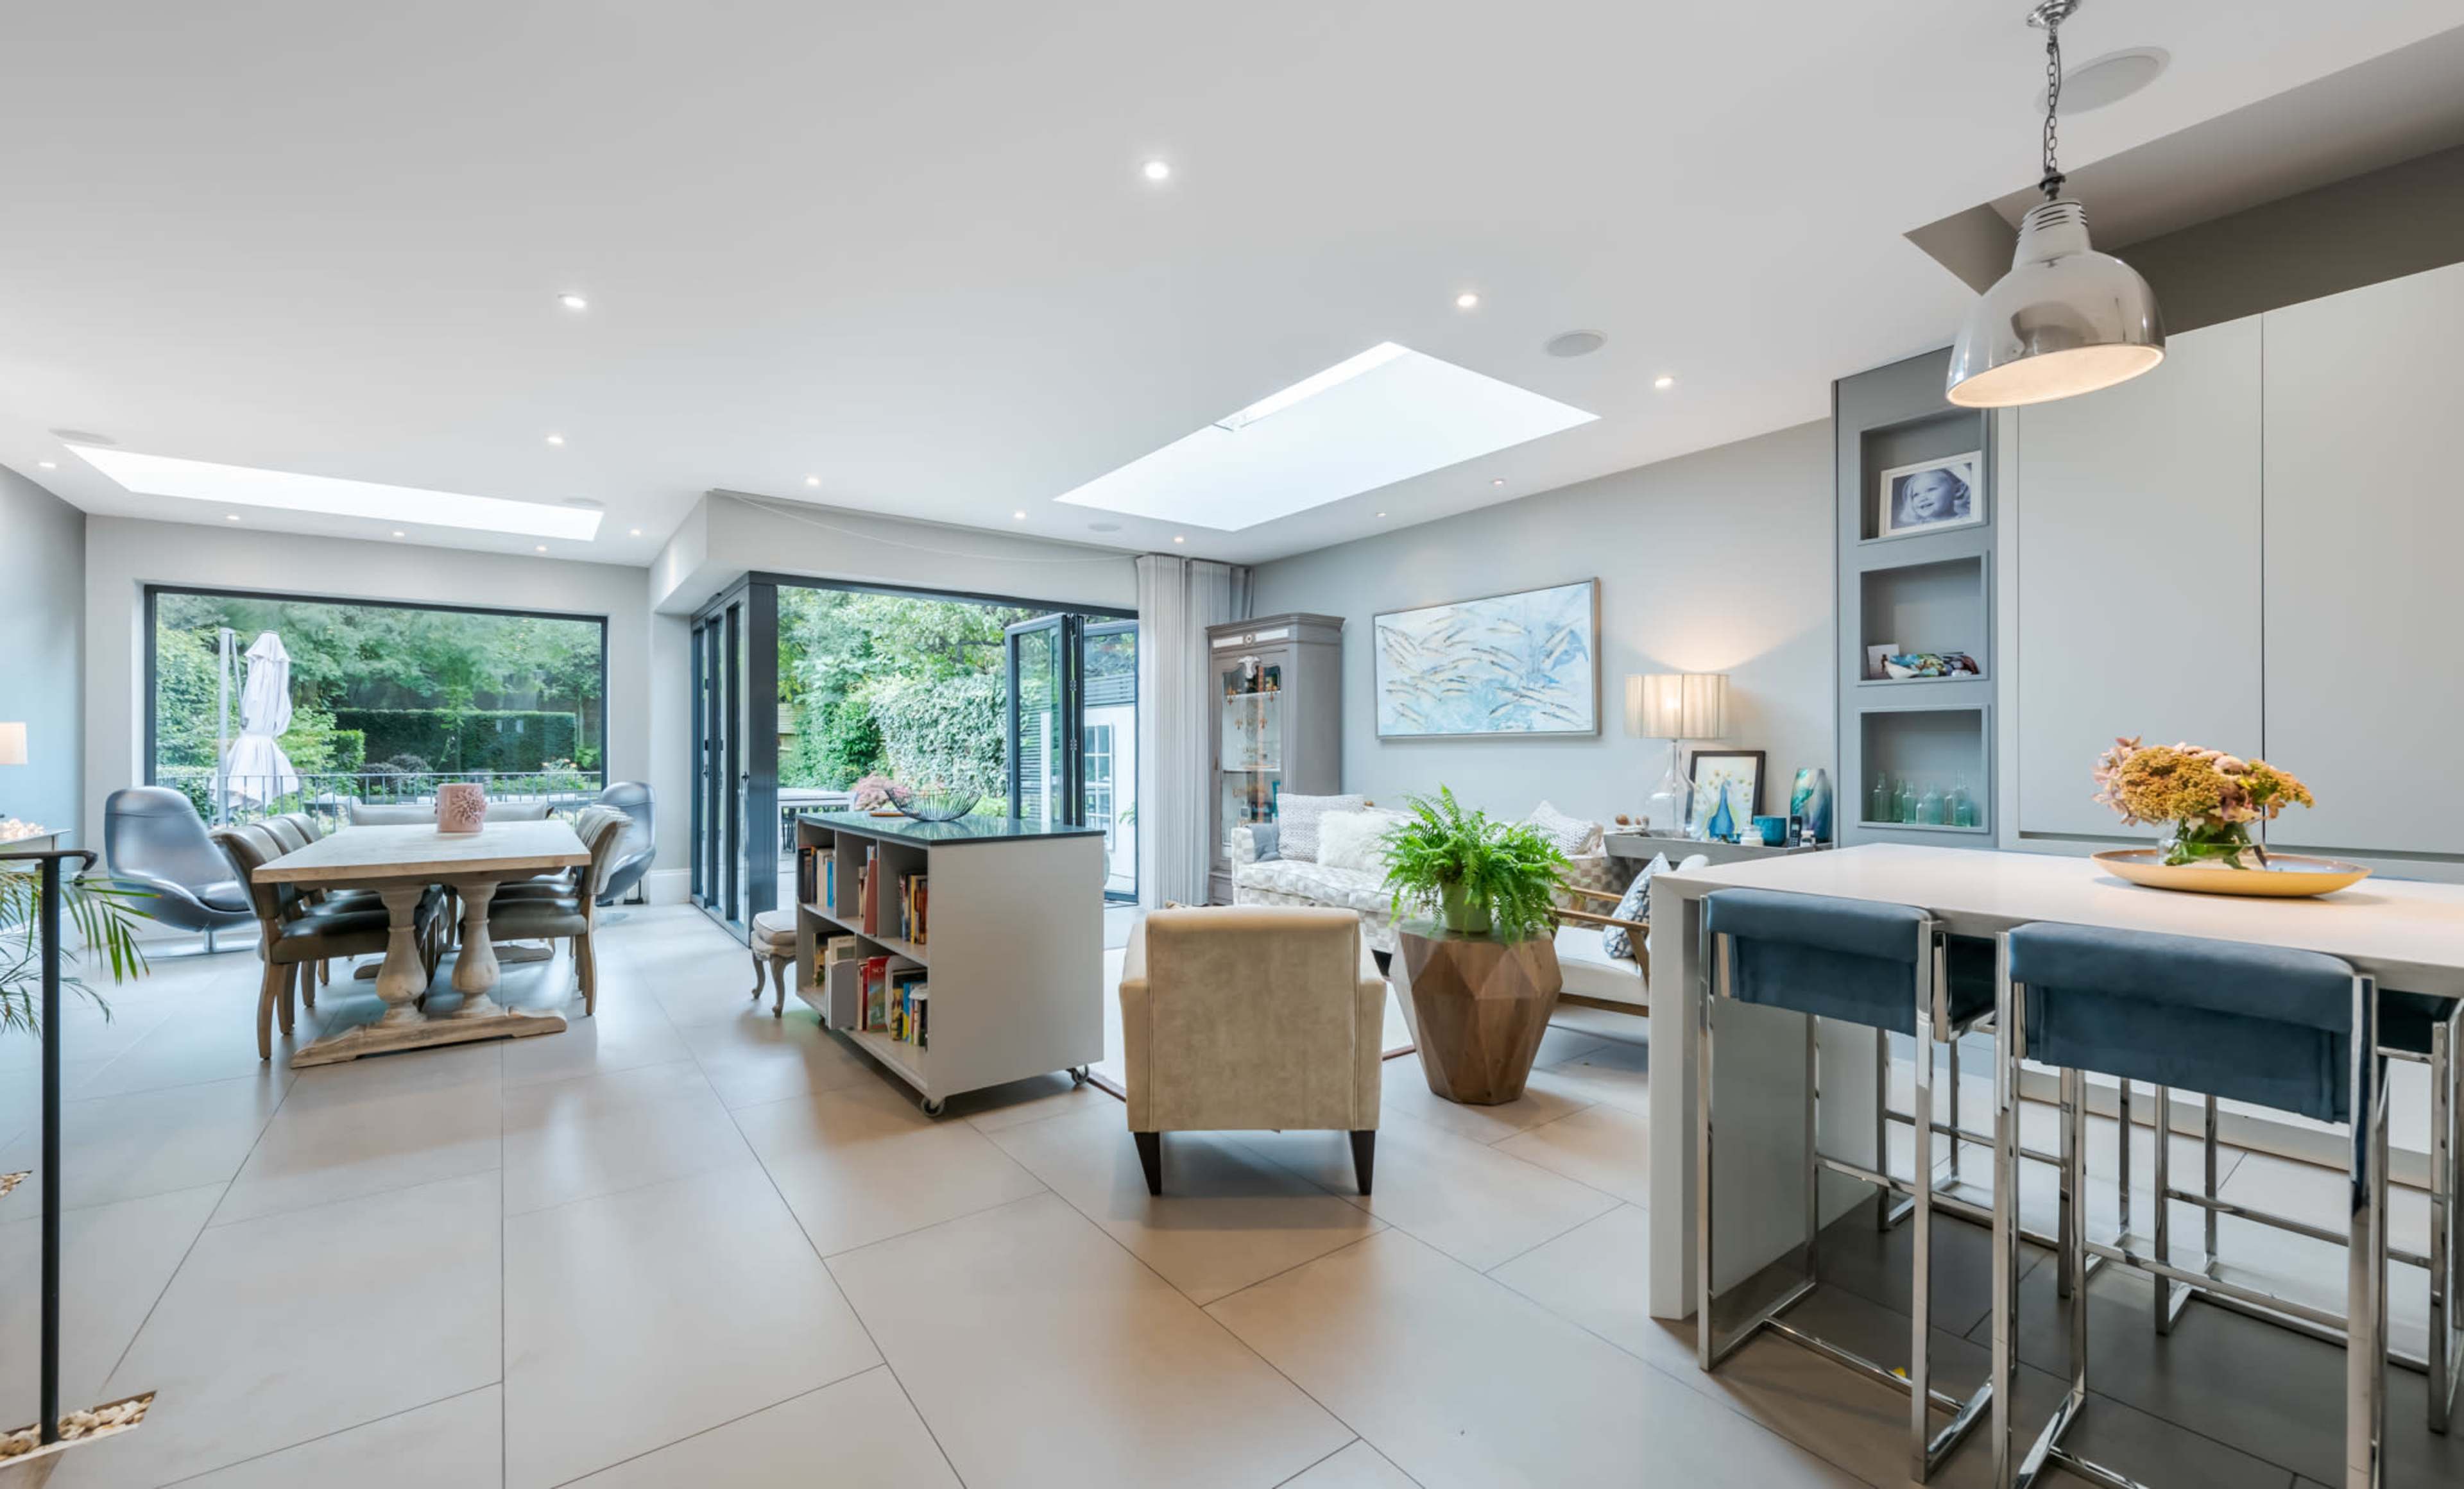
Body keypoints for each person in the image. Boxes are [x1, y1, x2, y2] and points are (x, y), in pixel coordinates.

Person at [1894, 465, 1971, 527]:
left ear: (1958, 490)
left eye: (1931, 490)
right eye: (1916, 495)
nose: (1922, 498)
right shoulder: (1917, 528)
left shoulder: (1967, 520)